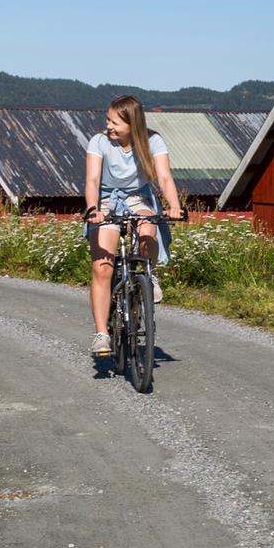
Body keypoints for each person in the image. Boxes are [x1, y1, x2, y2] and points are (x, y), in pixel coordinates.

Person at [84, 95, 183, 355]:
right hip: (105, 199)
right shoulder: (99, 142)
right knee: (102, 267)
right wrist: (93, 209)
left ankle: (148, 277)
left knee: (148, 226)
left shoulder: (152, 141)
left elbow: (164, 177)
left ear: (132, 124)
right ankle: (101, 334)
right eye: (107, 120)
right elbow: (93, 180)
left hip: (137, 197)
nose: (108, 126)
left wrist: (174, 206)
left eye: (114, 122)